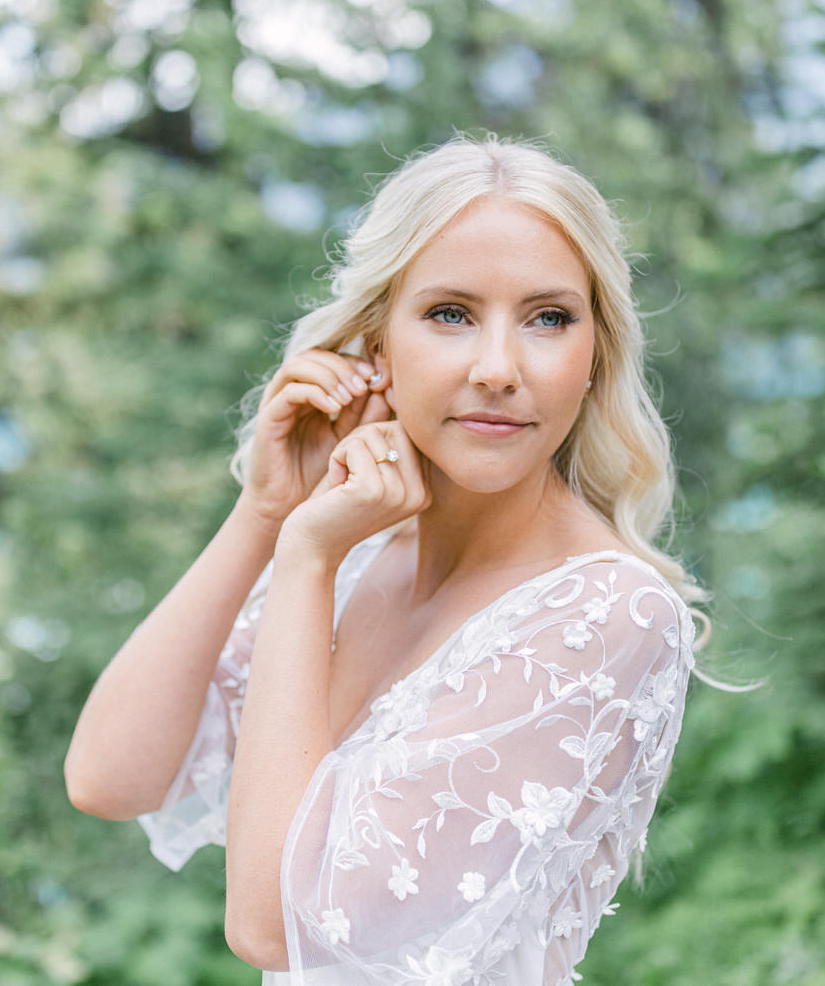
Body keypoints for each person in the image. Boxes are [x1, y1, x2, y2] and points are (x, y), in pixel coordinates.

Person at [65, 132, 716, 985]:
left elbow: (274, 928)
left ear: (594, 355)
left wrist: (304, 555)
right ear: (377, 346)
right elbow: (109, 777)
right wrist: (265, 513)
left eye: (548, 318)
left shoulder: (605, 612)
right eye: (451, 313)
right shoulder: (354, 549)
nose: (497, 368)